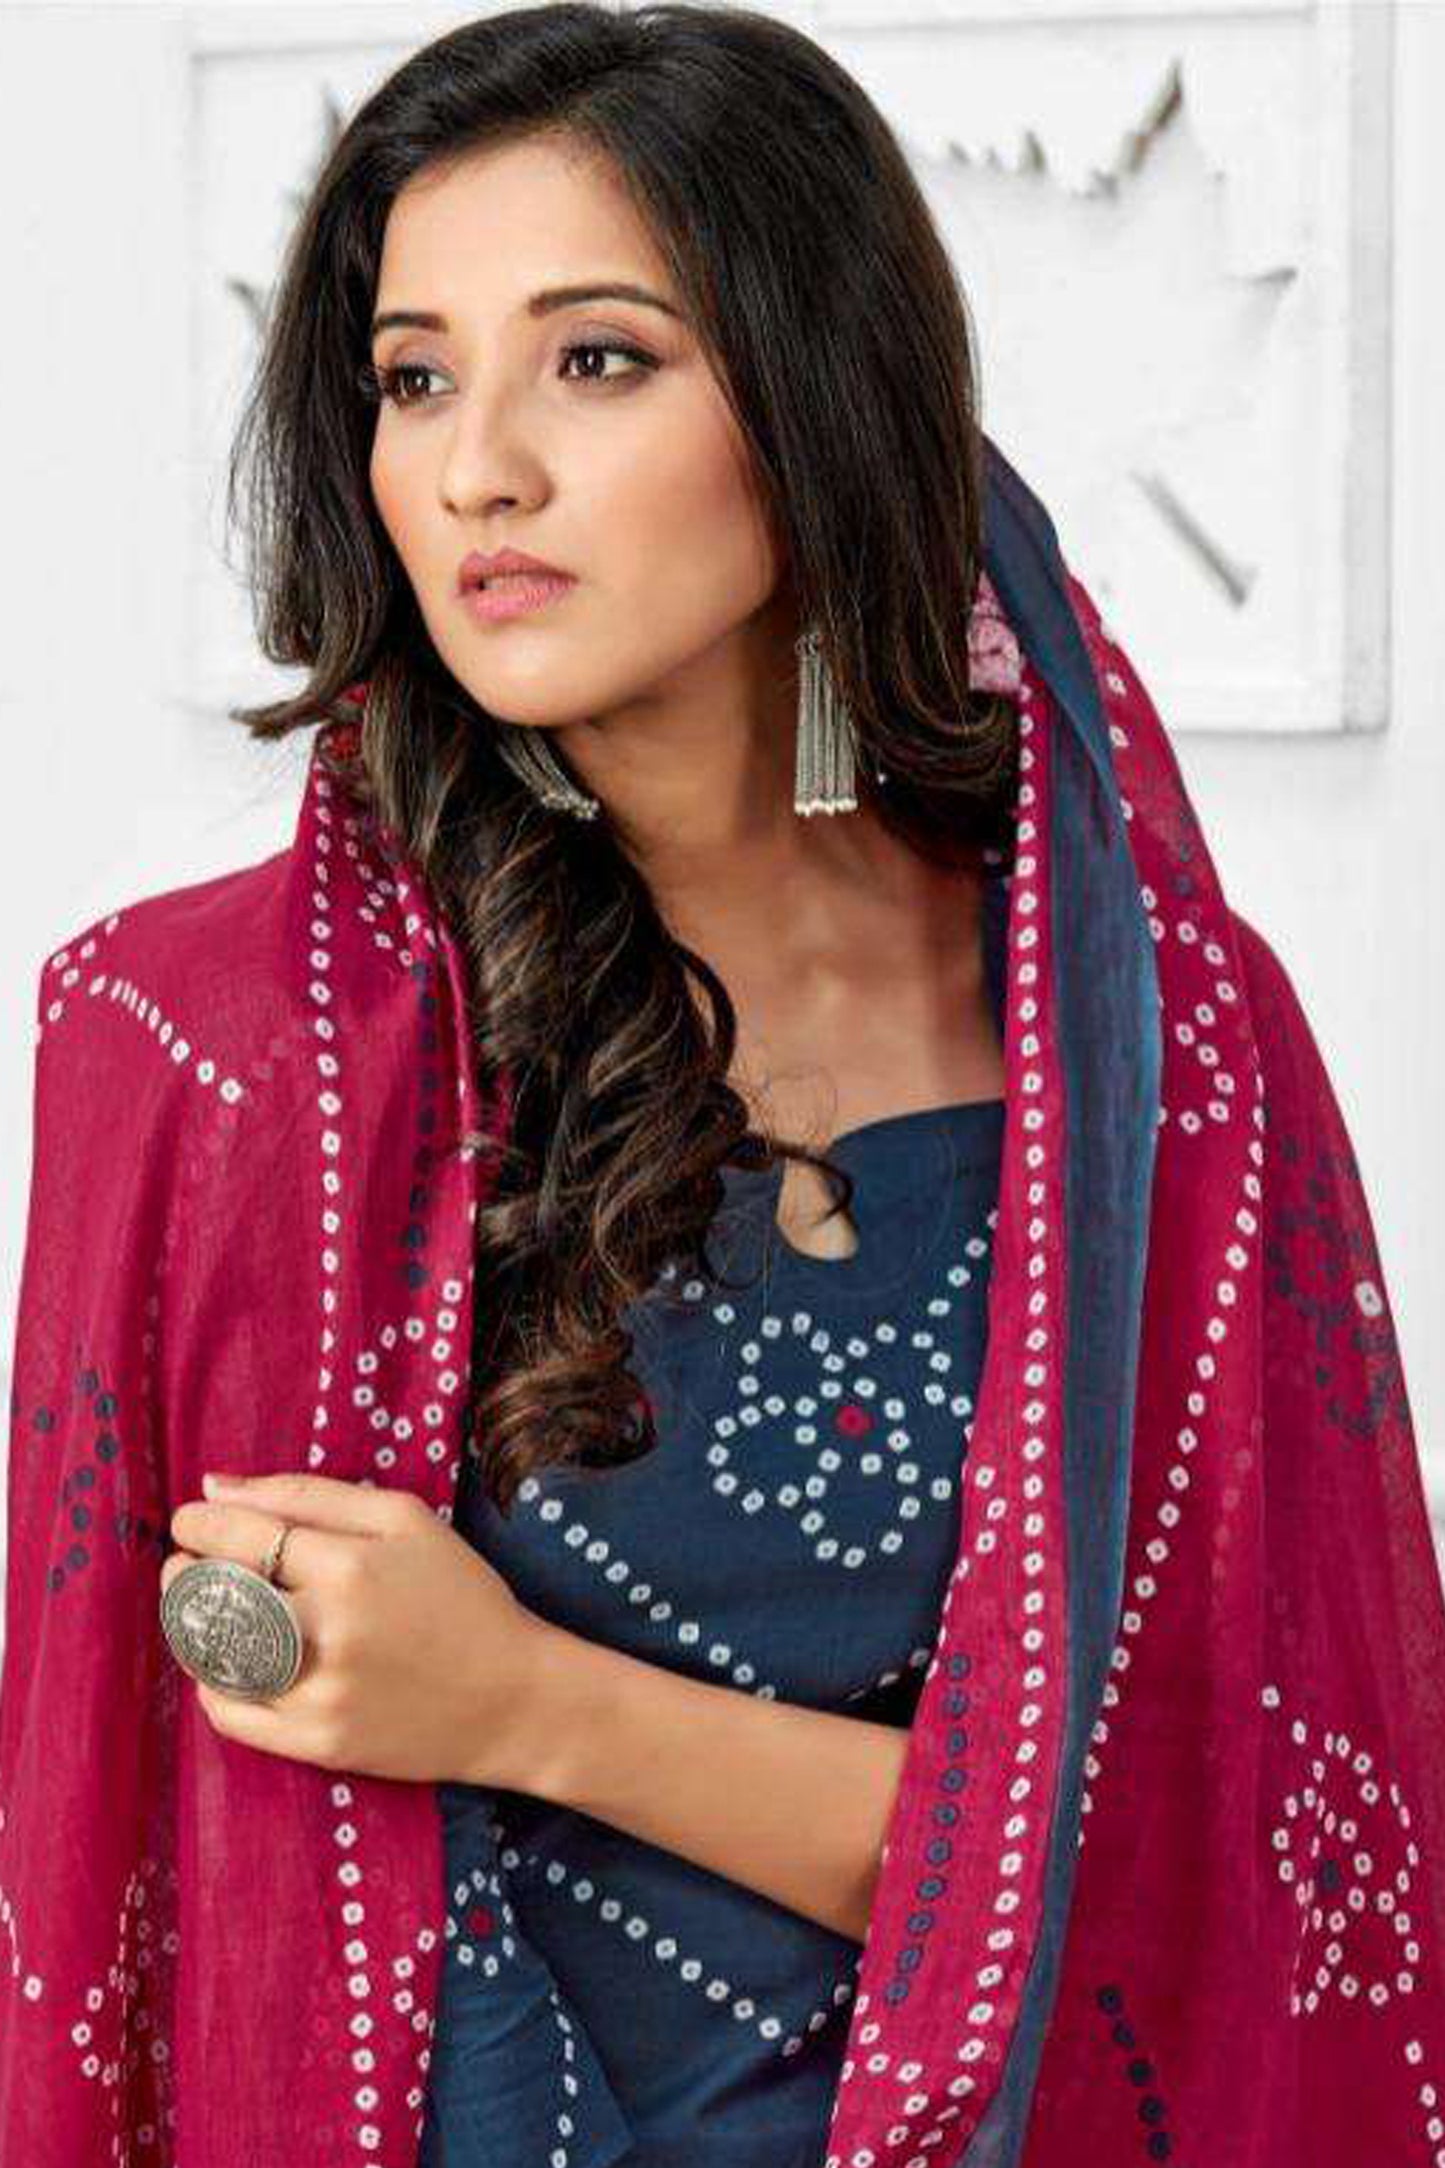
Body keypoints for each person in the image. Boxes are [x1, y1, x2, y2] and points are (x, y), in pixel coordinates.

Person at [2, 7, 1443, 2166]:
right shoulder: (210, 1044)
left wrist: (532, 1707)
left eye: (596, 359)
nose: (479, 468)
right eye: (414, 378)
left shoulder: (1164, 1052)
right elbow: (112, 1859)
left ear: (816, 395)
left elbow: (1227, 1883)